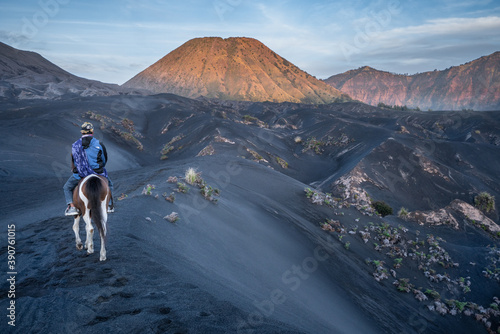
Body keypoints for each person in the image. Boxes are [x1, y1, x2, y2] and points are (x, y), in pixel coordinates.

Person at [63, 122, 114, 216]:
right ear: (92, 132)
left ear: (82, 132)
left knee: (67, 187)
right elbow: (104, 159)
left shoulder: (75, 145)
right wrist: (98, 167)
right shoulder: (99, 144)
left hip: (81, 173)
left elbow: (74, 161)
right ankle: (109, 205)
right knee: (109, 184)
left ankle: (72, 207)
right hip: (97, 172)